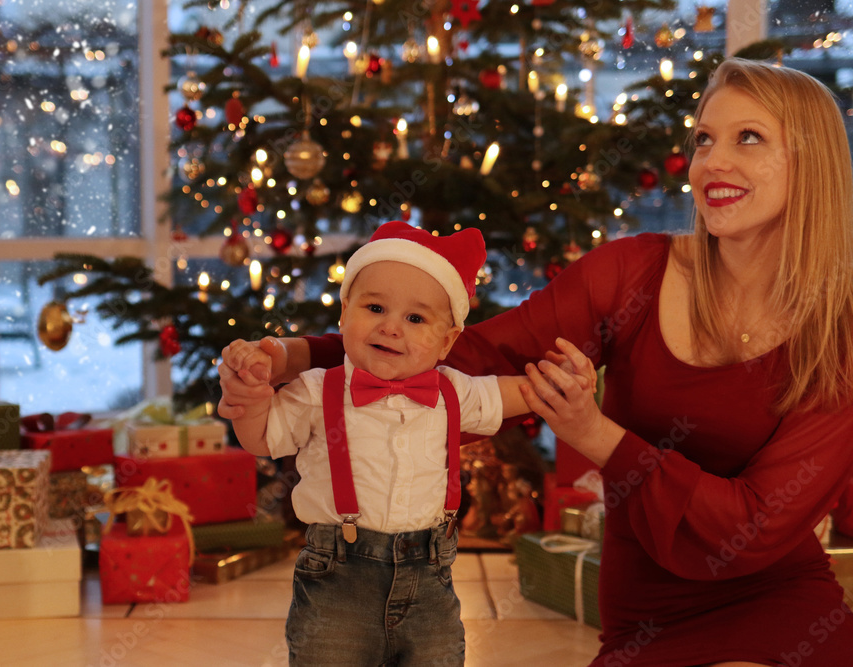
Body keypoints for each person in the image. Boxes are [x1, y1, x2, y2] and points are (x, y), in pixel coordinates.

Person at [219, 59, 853, 666]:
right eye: (704, 139)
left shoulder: (840, 335)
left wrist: (595, 435)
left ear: (812, 161)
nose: (712, 160)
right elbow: (459, 354)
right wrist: (289, 356)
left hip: (778, 599)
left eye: (748, 138)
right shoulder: (632, 272)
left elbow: (755, 523)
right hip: (650, 612)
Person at [221, 221, 595, 666]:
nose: (391, 328)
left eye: (415, 318)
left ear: (447, 341)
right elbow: (263, 437)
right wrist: (248, 399)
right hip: (337, 578)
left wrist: (564, 384)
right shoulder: (317, 390)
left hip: (430, 577)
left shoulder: (455, 391)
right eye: (375, 308)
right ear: (343, 314)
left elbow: (516, 392)